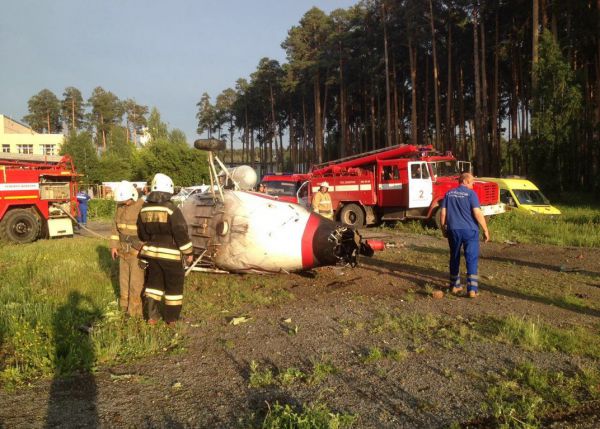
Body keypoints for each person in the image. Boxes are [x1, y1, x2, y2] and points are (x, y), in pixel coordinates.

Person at [137, 173, 193, 325]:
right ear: (168, 191)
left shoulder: (143, 210)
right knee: (174, 287)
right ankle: (172, 319)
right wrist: (188, 252)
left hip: (152, 253)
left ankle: (152, 317)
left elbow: (141, 234)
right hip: (171, 254)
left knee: (154, 285)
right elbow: (180, 231)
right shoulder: (171, 209)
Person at [440, 172, 490, 298]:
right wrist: (485, 230)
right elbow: (477, 213)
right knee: (471, 258)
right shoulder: (471, 194)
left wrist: (443, 229)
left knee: (455, 256)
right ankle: (472, 290)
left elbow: (443, 214)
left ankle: (454, 286)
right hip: (470, 230)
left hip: (454, 230)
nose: (473, 185)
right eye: (472, 182)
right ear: (466, 181)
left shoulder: (448, 194)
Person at [110, 181, 145, 317]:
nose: (123, 203)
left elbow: (147, 230)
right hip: (122, 251)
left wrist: (143, 248)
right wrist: (114, 246)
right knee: (123, 281)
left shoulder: (142, 206)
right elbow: (115, 227)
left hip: (137, 251)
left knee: (135, 284)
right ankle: (124, 308)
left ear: (133, 195)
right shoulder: (120, 206)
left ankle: (135, 313)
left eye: (125, 200)